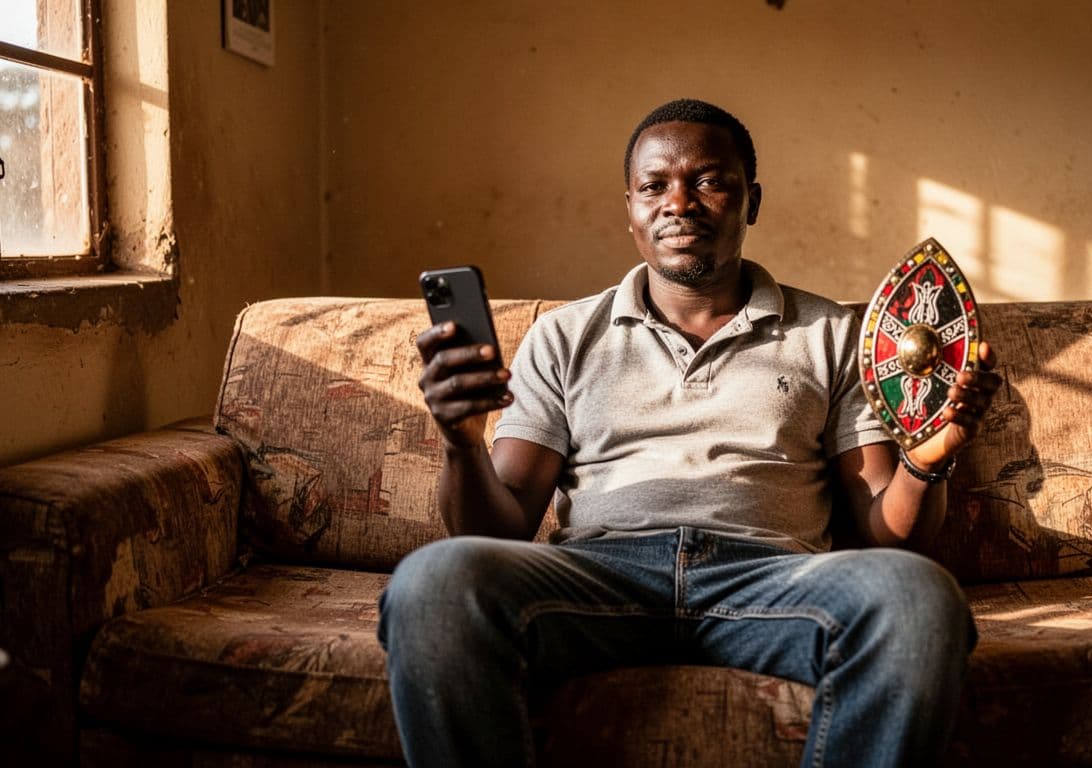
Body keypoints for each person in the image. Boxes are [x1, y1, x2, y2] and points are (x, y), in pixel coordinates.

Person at [378, 98, 1001, 767]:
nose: (680, 202)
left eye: (709, 180)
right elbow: (494, 535)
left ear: (750, 201)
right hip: (598, 580)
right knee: (433, 581)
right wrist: (460, 442)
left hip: (771, 581)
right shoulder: (562, 336)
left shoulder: (831, 334)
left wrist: (928, 458)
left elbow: (886, 534)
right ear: (631, 210)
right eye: (654, 186)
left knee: (918, 598)